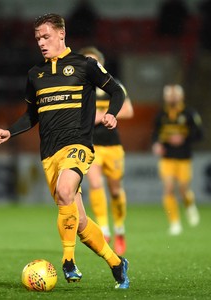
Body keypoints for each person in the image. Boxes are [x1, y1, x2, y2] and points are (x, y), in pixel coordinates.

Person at [0, 14, 130, 289]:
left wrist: (112, 114)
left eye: (46, 36)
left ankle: (68, 261)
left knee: (66, 191)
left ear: (61, 34)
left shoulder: (85, 65)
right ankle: (117, 262)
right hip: (49, 154)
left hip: (78, 144)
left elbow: (117, 91)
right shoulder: (35, 74)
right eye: (37, 39)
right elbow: (32, 114)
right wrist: (10, 130)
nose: (41, 43)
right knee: (78, 220)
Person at [78, 46, 133, 255]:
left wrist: (102, 114)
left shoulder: (113, 84)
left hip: (113, 145)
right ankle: (104, 229)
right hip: (91, 144)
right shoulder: (79, 87)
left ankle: (119, 228)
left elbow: (128, 110)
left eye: (94, 61)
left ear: (101, 63)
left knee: (116, 190)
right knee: (94, 183)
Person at [152, 84, 203, 235]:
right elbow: (155, 133)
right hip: (167, 157)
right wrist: (156, 144)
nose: (172, 98)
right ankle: (175, 223)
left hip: (184, 157)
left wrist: (184, 137)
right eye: (169, 95)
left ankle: (189, 204)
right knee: (168, 189)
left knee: (183, 189)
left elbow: (200, 134)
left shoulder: (189, 114)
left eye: (175, 95)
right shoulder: (161, 115)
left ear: (181, 96)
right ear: (165, 97)